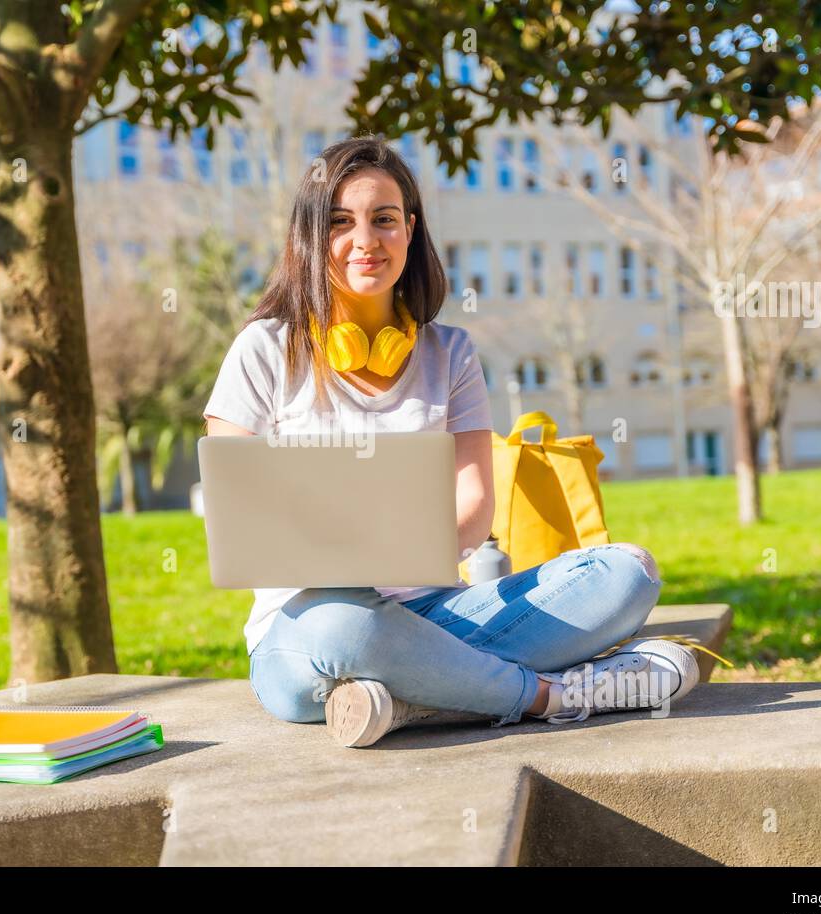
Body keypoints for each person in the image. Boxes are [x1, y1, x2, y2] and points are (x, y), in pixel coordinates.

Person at [203, 136, 697, 747]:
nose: (365, 240)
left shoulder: (451, 354)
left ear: (410, 230)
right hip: (307, 633)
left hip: (442, 615)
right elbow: (240, 519)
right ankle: (554, 695)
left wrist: (401, 553)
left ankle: (407, 702)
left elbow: (474, 510)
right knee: (344, 627)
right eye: (339, 223)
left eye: (384, 219)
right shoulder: (262, 351)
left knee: (628, 574)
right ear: (310, 237)